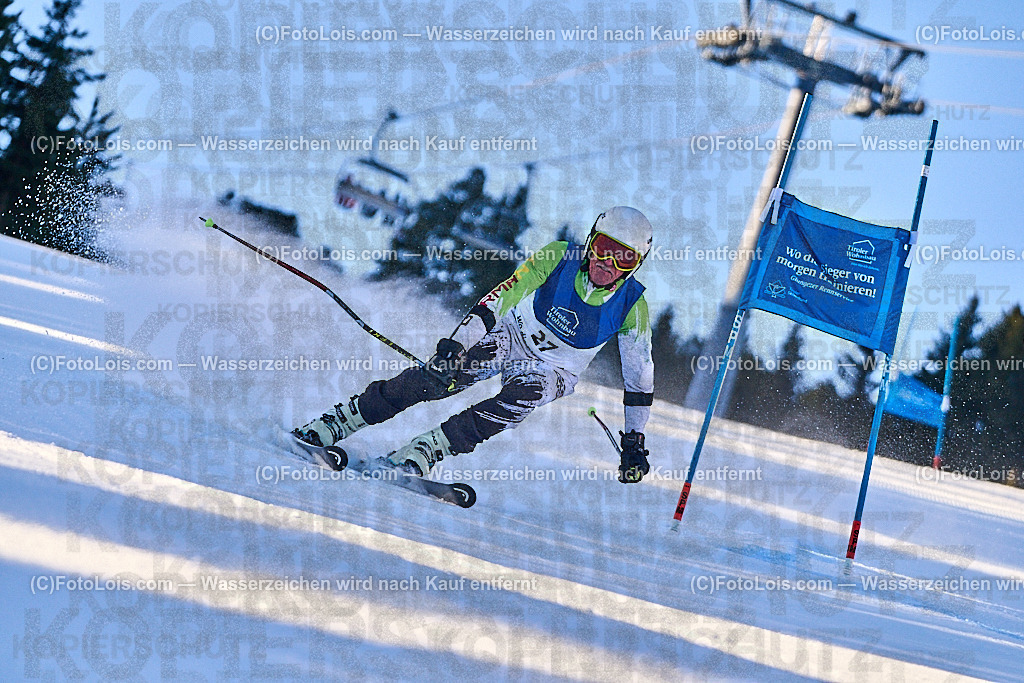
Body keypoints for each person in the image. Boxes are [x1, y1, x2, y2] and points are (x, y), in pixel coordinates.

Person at [293, 206, 655, 483]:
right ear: (591, 241)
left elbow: (639, 379)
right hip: (512, 335)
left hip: (555, 369)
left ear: (635, 266)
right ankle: (339, 421)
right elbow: (501, 297)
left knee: (521, 398)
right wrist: (456, 346)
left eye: (624, 257)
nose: (608, 263)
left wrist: (634, 441)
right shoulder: (560, 256)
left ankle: (425, 450)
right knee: (438, 379)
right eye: (604, 248)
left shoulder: (632, 307)